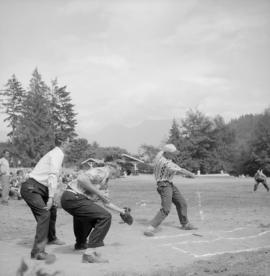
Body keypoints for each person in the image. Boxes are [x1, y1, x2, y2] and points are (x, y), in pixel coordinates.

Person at [61, 162, 129, 263]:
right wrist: (98, 193)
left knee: (88, 217)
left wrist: (121, 211)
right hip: (74, 197)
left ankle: (81, 244)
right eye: (118, 169)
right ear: (110, 167)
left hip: (73, 199)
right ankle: (89, 254)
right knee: (104, 217)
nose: (119, 171)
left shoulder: (105, 182)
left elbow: (106, 202)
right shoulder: (101, 171)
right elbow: (81, 179)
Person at [20, 136, 70, 260]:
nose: (71, 144)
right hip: (32, 188)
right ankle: (37, 252)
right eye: (69, 142)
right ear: (63, 142)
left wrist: (52, 196)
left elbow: (52, 177)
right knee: (44, 214)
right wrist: (51, 197)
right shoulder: (58, 154)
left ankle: (51, 238)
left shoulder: (56, 153)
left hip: (40, 187)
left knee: (52, 210)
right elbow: (52, 175)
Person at [144, 144, 196, 237]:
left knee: (182, 203)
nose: (175, 155)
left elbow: (174, 170)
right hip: (164, 186)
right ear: (167, 153)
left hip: (169, 184)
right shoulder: (165, 162)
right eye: (173, 153)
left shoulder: (164, 159)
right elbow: (181, 170)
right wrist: (191, 174)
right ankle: (150, 228)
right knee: (166, 209)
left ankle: (185, 224)